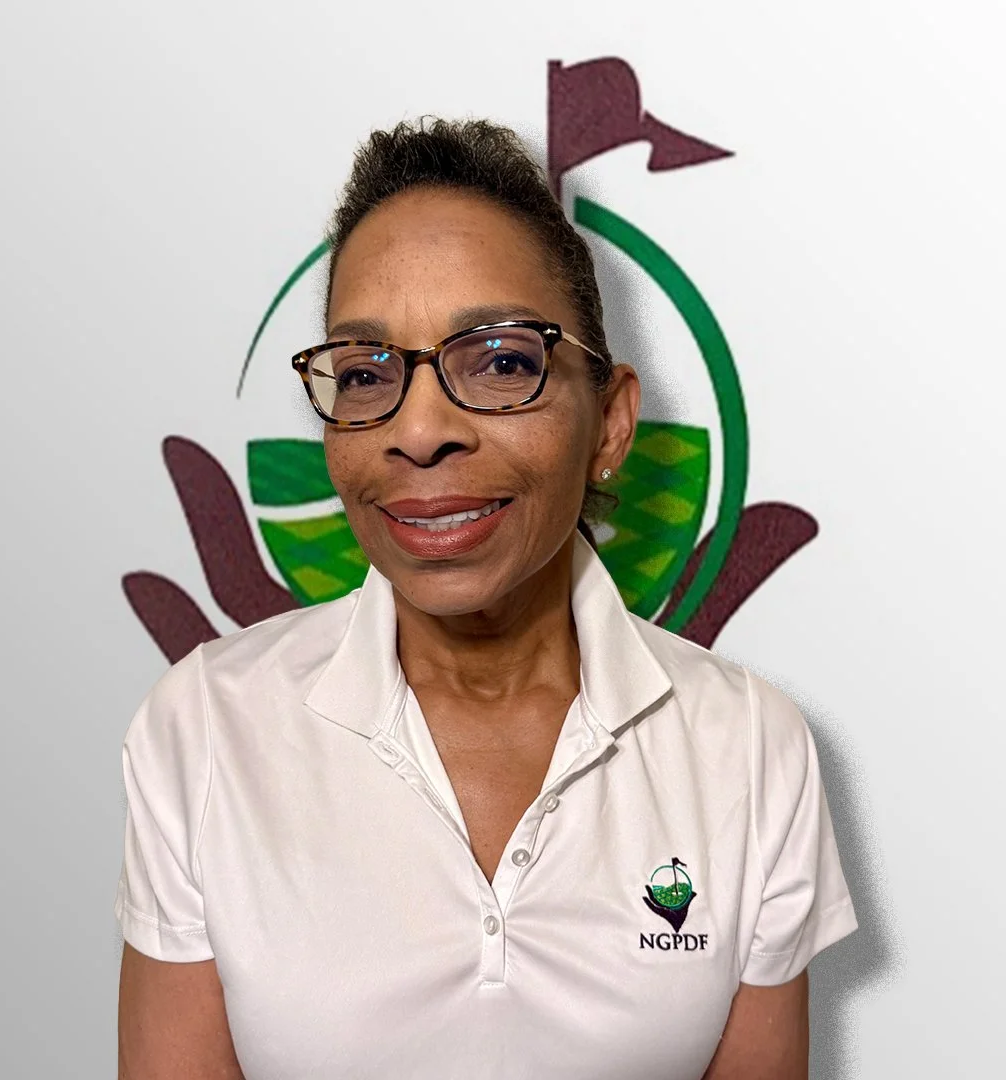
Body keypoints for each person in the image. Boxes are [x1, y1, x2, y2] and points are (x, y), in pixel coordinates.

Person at [115, 118, 857, 1080]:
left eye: (502, 361)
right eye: (366, 373)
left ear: (611, 424)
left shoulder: (750, 747)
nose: (419, 430)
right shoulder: (204, 727)